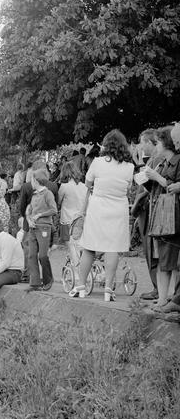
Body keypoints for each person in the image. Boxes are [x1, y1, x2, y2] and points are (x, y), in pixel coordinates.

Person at [70, 129, 135, 301]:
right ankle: (108, 290)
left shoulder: (97, 162)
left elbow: (88, 182)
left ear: (105, 145)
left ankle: (81, 287)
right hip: (118, 208)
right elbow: (128, 189)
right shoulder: (129, 167)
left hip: (98, 207)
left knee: (90, 247)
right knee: (112, 248)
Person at [139, 124, 180, 310]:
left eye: (158, 142)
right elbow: (158, 187)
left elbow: (170, 185)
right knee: (163, 259)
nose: (156, 146)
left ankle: (169, 299)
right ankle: (163, 298)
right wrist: (147, 180)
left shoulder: (176, 161)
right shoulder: (161, 162)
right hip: (161, 216)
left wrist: (156, 177)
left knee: (170, 259)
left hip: (172, 216)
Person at [26, 168, 58, 291]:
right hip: (33, 228)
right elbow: (30, 211)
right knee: (31, 255)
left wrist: (39, 215)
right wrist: (29, 220)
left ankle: (48, 279)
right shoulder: (34, 195)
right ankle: (34, 283)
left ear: (37, 180)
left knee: (43, 256)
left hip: (44, 227)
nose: (31, 182)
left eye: (32, 180)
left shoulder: (47, 194)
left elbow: (54, 210)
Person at [57, 161, 88, 246]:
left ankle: (73, 259)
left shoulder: (64, 187)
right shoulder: (84, 186)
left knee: (70, 247)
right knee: (78, 246)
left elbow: (58, 202)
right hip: (81, 220)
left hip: (67, 220)